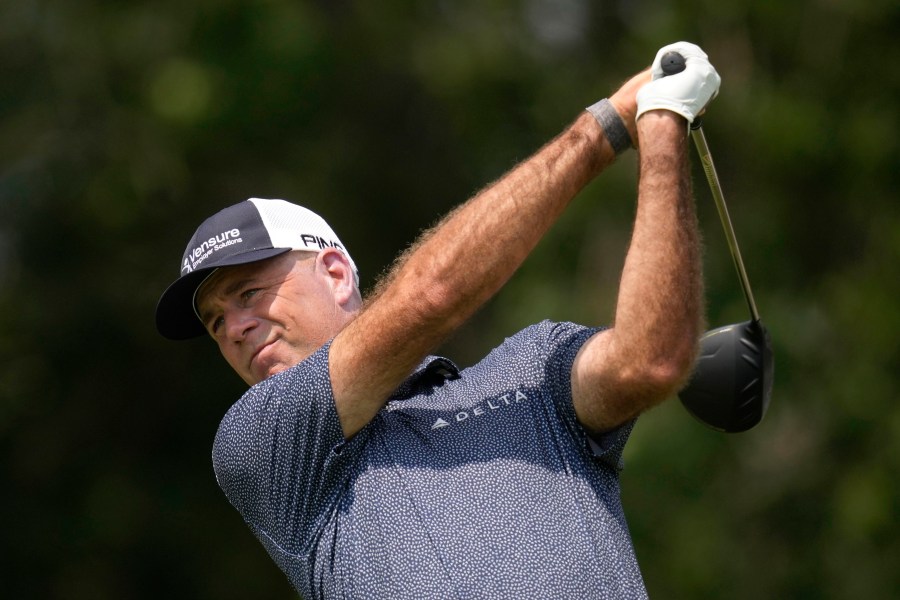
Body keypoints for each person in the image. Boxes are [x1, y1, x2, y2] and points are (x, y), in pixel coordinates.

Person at [156, 42, 720, 599]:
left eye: (250, 293)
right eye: (214, 323)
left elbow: (650, 362)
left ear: (333, 272)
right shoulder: (261, 443)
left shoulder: (533, 371)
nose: (234, 328)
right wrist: (608, 125)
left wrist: (661, 124)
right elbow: (432, 296)